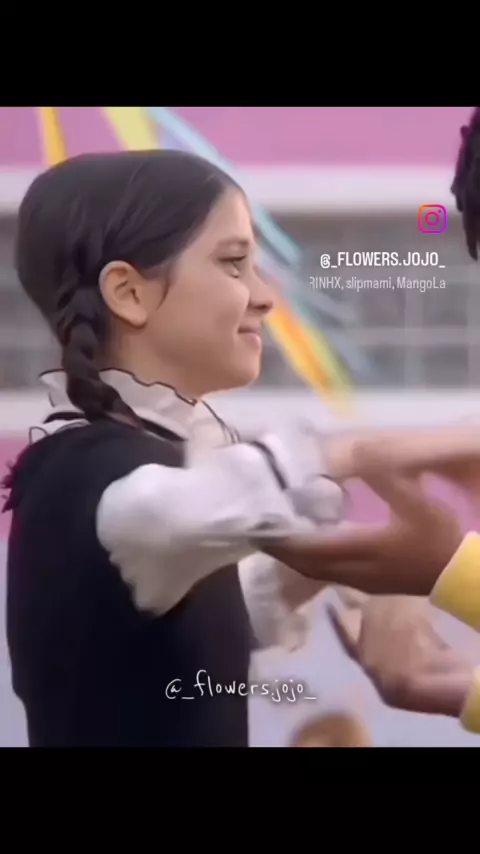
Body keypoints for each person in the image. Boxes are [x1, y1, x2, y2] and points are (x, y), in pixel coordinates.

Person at [4, 149, 365, 748]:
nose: (265, 296)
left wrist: (367, 572)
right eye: (233, 263)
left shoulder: (138, 468)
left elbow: (206, 617)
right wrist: (373, 456)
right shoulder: (94, 477)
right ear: (128, 292)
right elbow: (161, 514)